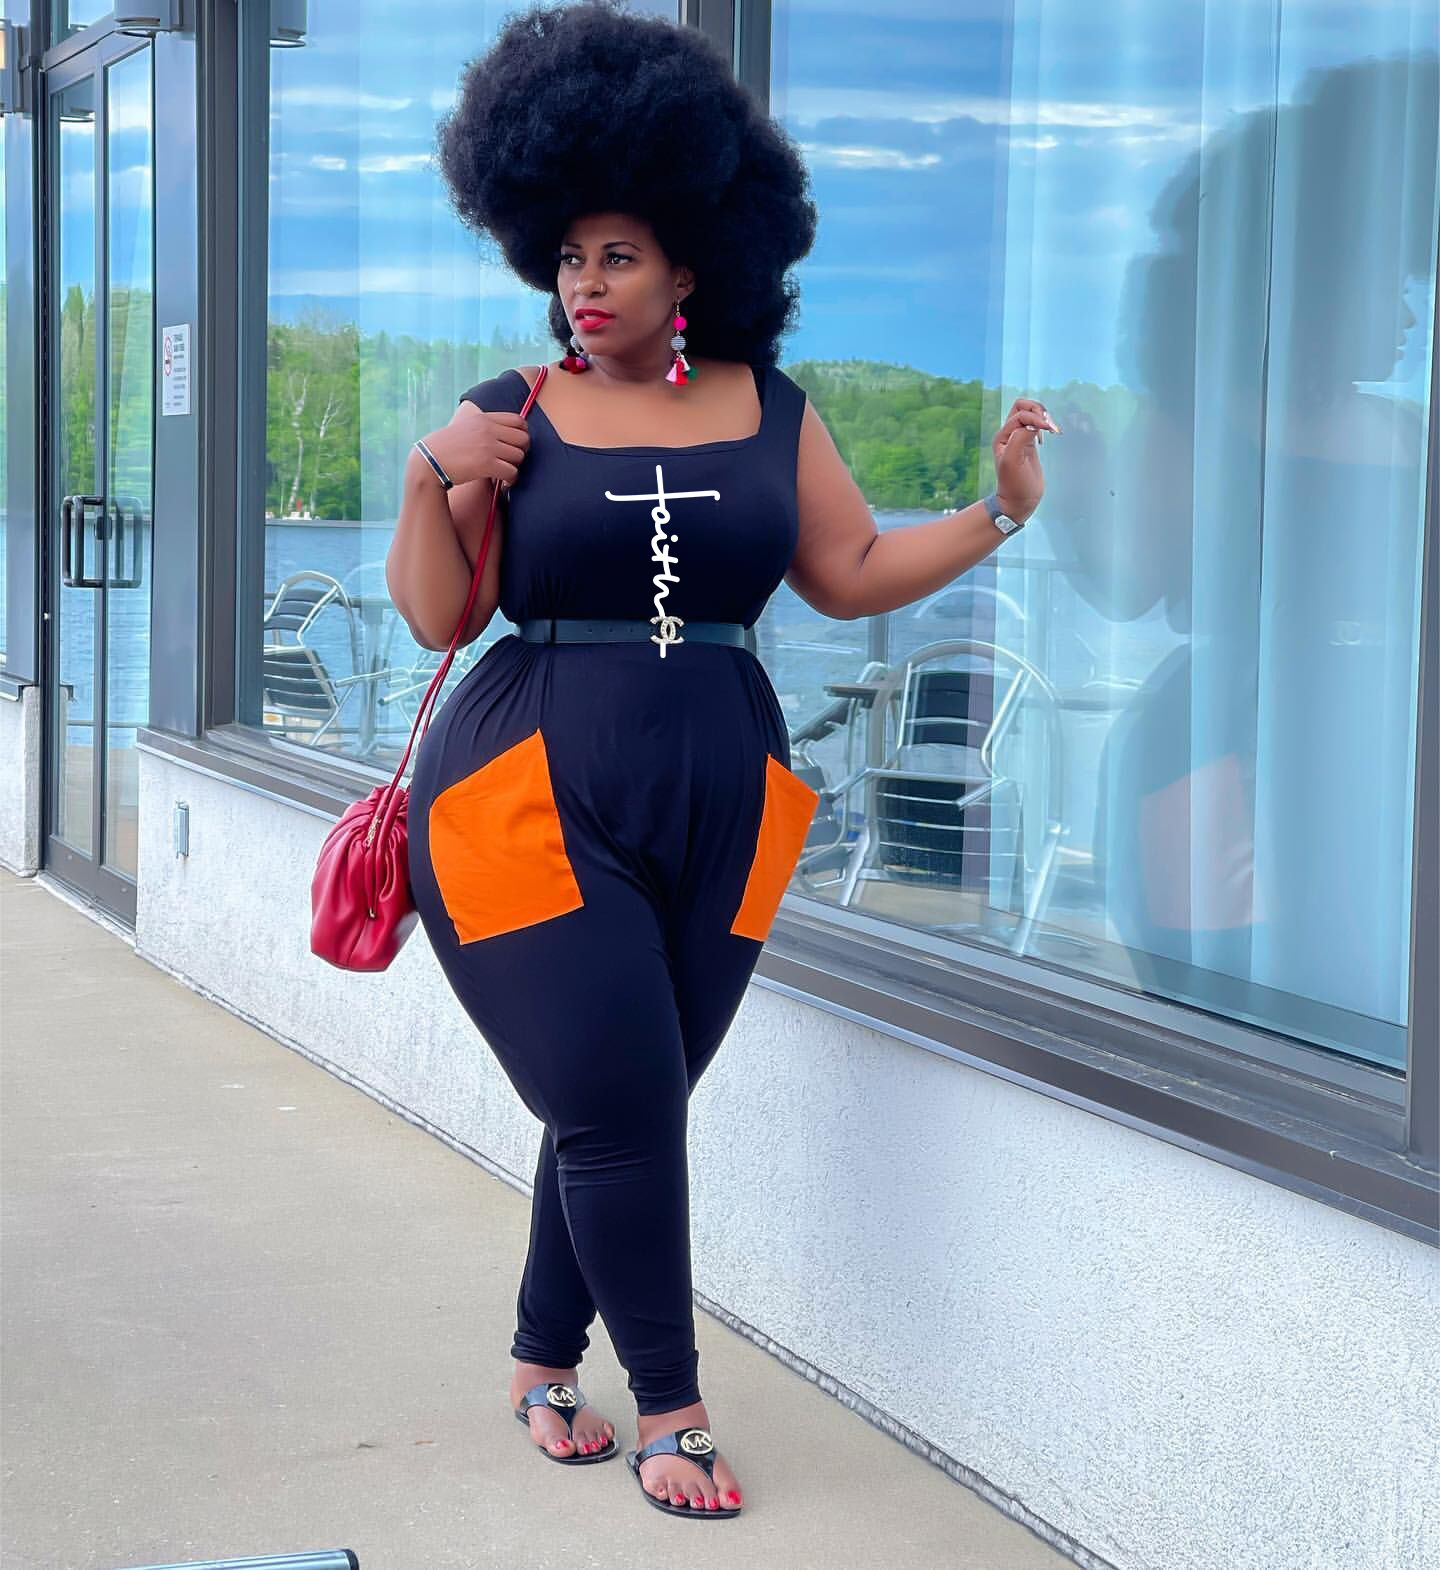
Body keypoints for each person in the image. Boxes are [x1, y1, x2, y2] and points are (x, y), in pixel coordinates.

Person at [385, 0, 1056, 1521]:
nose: (585, 283)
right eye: (567, 256)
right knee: (621, 1102)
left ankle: (540, 1360)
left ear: (691, 264)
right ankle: (672, 1408)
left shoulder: (770, 408)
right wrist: (433, 474)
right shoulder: (510, 413)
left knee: (624, 1096)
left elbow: (852, 573)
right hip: (515, 794)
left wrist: (1002, 511)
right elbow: (438, 613)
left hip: (726, 796)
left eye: (618, 255)